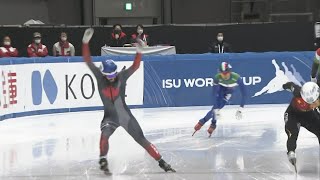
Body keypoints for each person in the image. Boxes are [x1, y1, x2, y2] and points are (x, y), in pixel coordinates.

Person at [82, 28, 175, 174]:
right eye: (109, 75)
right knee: (104, 136)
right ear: (104, 73)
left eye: (113, 74)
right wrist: (85, 43)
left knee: (141, 139)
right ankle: (103, 160)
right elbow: (88, 60)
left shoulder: (122, 76)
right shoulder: (100, 78)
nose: (112, 77)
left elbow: (135, 66)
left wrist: (139, 51)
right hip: (110, 117)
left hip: (125, 117)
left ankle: (162, 162)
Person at [193, 62, 246, 137]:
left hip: (227, 94)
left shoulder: (237, 78)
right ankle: (211, 123)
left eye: (226, 73)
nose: (224, 75)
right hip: (220, 91)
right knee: (216, 108)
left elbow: (244, 94)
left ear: (229, 72)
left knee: (217, 108)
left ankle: (205, 122)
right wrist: (216, 108)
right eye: (222, 73)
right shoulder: (217, 77)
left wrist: (241, 108)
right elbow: (214, 94)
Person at [282, 81, 320, 170]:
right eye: (308, 101)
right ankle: (291, 151)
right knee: (292, 133)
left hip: (309, 116)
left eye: (314, 101)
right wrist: (284, 86)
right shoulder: (297, 91)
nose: (311, 104)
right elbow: (290, 85)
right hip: (293, 115)